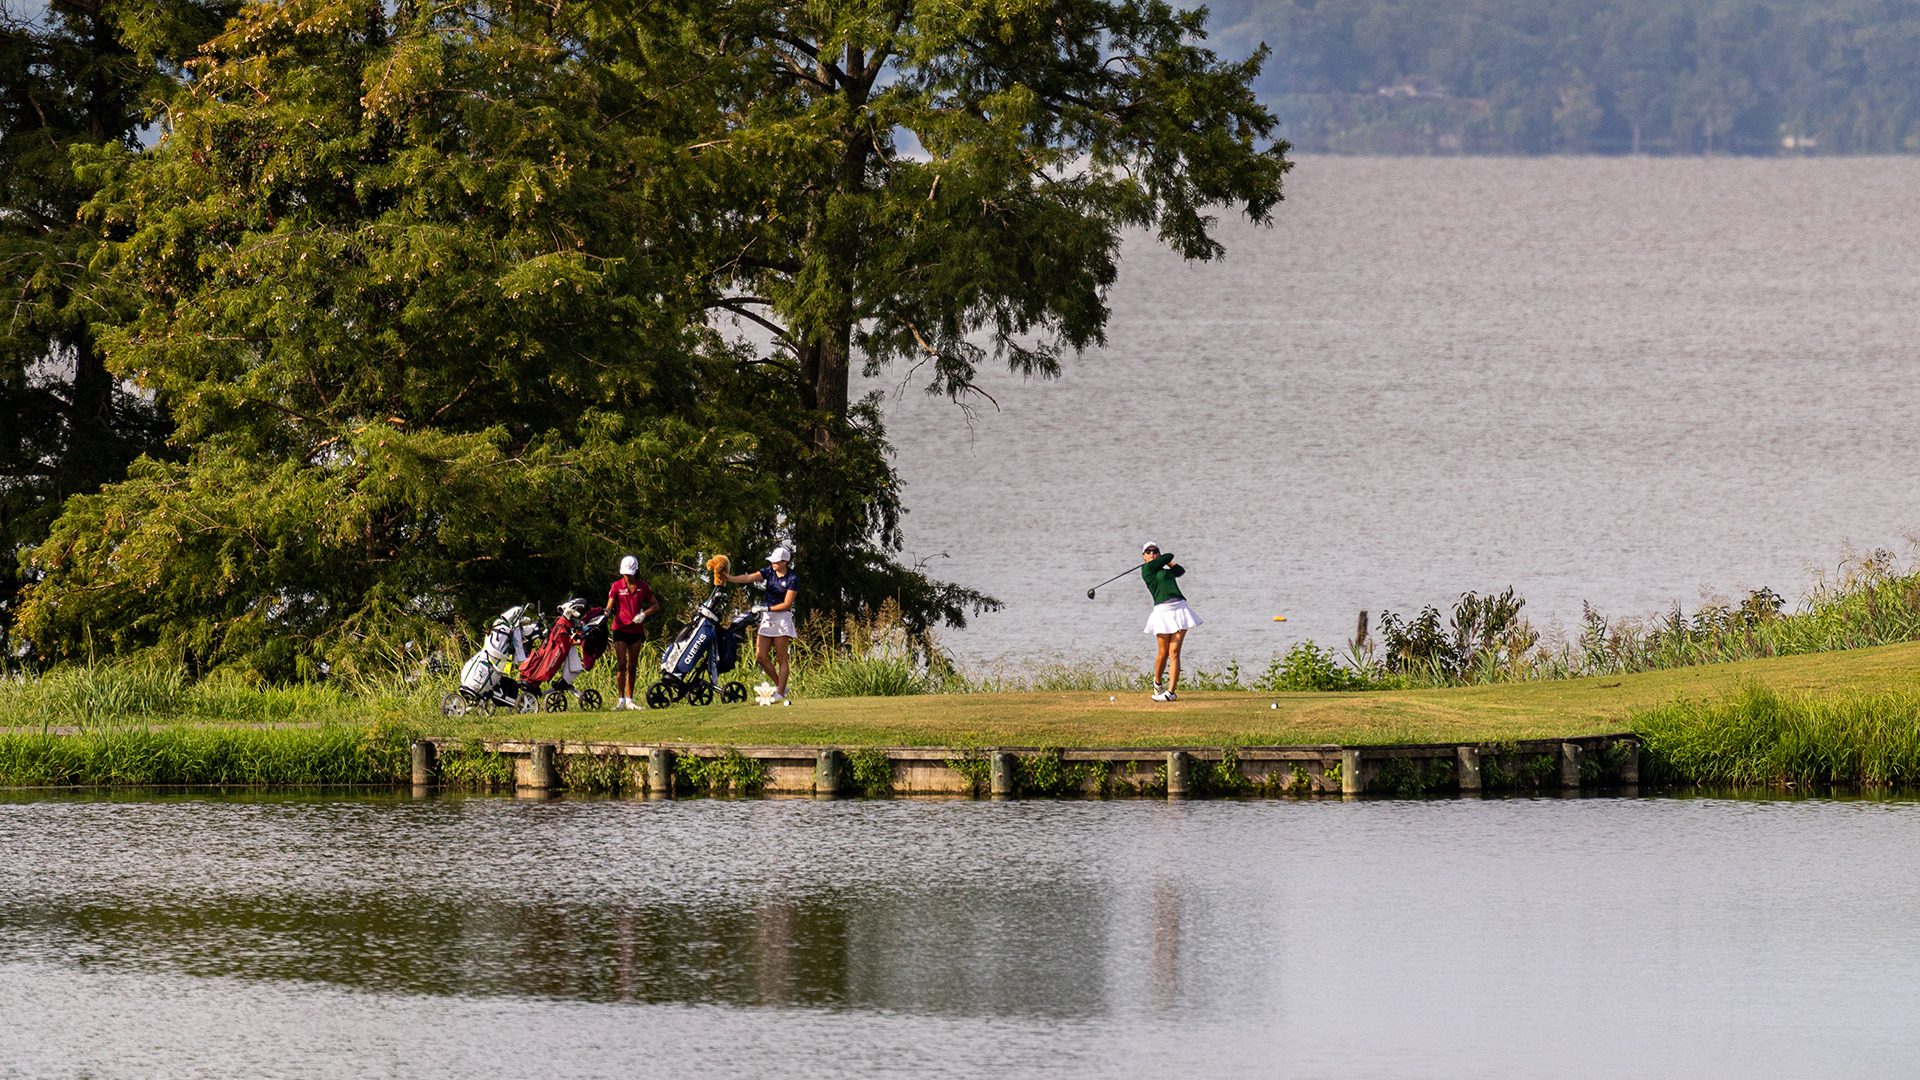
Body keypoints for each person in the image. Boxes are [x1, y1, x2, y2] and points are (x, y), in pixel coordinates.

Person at [724, 546, 797, 702]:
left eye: (777, 561)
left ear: (785, 562)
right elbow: (749, 578)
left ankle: (780, 693)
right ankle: (781, 685)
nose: (773, 564)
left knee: (781, 658)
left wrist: (767, 607)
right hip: (767, 618)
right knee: (760, 657)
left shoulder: (792, 579)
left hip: (782, 618)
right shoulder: (768, 572)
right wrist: (729, 578)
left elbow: (787, 604)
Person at [1139, 542, 1201, 701]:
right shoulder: (1146, 570)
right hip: (1162, 612)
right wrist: (1164, 558)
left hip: (1180, 609)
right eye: (1148, 552)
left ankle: (1171, 693)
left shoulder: (1166, 571)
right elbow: (1170, 556)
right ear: (1144, 556)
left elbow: (1180, 571)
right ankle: (1158, 683)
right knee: (1163, 653)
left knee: (1174, 652)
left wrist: (1166, 562)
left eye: (1155, 551)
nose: (1152, 553)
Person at [606, 555, 659, 710]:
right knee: (621, 664)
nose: (626, 576)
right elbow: (609, 606)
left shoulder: (643, 587)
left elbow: (655, 605)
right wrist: (604, 615)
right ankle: (620, 700)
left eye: (629, 573)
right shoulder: (616, 586)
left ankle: (630, 700)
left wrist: (644, 614)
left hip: (636, 631)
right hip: (620, 629)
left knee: (632, 666)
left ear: (635, 571)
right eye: (624, 573)